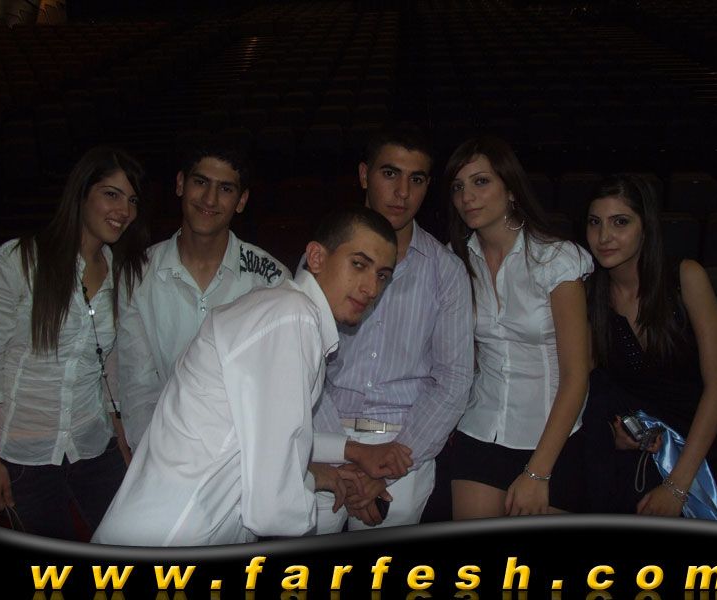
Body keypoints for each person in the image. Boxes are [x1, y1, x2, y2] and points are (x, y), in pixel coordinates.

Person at [90, 206, 398, 546]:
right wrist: (331, 489)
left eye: (382, 275)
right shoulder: (292, 318)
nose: (371, 288)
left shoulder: (281, 309)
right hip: (174, 531)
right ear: (316, 257)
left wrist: (343, 456)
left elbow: (265, 434)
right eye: (359, 264)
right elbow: (271, 506)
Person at [0, 146, 151, 540]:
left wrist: (121, 432)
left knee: (130, 540)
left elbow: (110, 365)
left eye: (132, 200)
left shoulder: (123, 272)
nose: (124, 210)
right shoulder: (19, 262)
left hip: (93, 442)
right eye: (111, 194)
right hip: (23, 452)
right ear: (81, 194)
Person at [310, 126, 474, 532]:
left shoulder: (446, 271)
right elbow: (304, 367)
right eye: (390, 174)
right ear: (364, 175)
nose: (402, 192)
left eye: (416, 179)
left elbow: (453, 380)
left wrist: (388, 467)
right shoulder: (326, 255)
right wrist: (344, 458)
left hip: (405, 443)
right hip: (325, 436)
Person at [582, 174, 717, 521]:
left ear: (646, 228)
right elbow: (592, 386)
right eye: (594, 222)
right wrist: (615, 433)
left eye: (620, 222)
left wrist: (677, 484)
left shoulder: (685, 277)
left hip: (711, 442)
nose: (604, 236)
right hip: (647, 446)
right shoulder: (589, 294)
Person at [447, 135, 592, 518]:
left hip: (551, 438)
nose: (467, 197)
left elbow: (577, 375)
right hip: (480, 427)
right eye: (458, 187)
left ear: (511, 189)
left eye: (481, 182)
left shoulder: (555, 259)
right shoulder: (456, 261)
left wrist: (537, 472)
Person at [115, 135, 290, 450]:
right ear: (180, 184)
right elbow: (138, 387)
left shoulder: (271, 281)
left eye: (225, 189)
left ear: (241, 201)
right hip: (164, 449)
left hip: (245, 453)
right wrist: (156, 456)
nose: (210, 199)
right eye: (201, 182)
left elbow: (279, 385)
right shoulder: (138, 276)